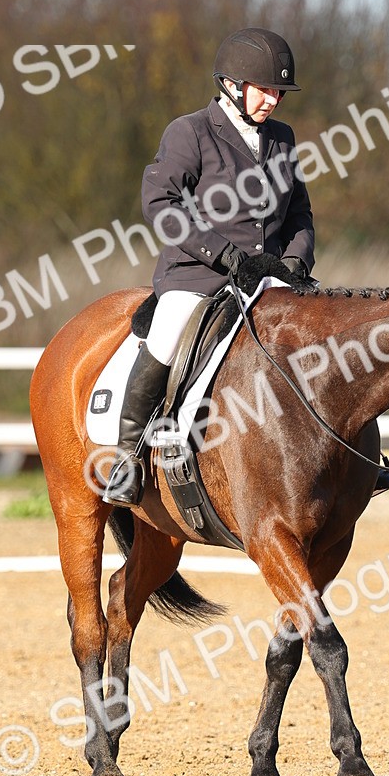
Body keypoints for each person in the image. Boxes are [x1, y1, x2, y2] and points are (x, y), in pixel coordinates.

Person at [102, 27, 315, 506]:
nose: (273, 101)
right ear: (232, 85)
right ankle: (127, 456)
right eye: (265, 90)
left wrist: (296, 260)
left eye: (279, 93)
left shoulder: (282, 138)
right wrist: (226, 255)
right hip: (200, 275)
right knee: (167, 333)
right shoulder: (190, 131)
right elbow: (161, 204)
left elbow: (300, 213)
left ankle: (345, 457)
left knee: (326, 331)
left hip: (270, 277)